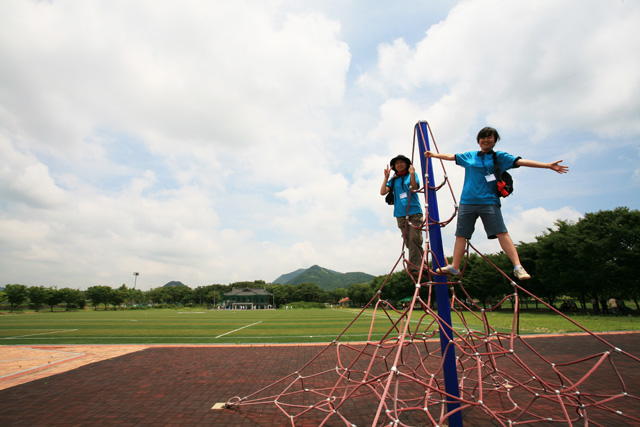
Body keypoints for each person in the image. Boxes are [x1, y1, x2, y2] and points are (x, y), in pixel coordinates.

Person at [425, 127, 569, 280]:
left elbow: (521, 161)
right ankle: (455, 267)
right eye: (483, 137)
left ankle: (518, 267)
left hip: (489, 202)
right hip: (467, 202)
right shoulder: (470, 156)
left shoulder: (499, 157)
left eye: (489, 137)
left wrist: (547, 165)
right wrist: (434, 155)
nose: (486, 140)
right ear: (478, 140)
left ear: (495, 140)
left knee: (501, 232)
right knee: (461, 235)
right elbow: (452, 156)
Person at [380, 154, 424, 274]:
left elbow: (414, 188)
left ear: (406, 164)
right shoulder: (393, 180)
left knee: (415, 238)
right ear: (394, 166)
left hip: (414, 211)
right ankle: (420, 264)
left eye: (402, 162)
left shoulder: (412, 175)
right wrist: (386, 177)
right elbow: (383, 192)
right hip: (400, 214)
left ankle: (415, 267)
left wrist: (412, 174)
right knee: (408, 240)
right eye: (397, 163)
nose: (399, 164)